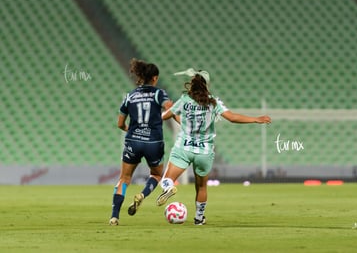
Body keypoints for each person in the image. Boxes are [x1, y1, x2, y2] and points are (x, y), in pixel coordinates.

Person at [156, 68, 271, 225]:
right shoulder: (213, 102)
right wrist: (255, 119)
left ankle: (168, 188)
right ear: (206, 86)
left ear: (192, 85)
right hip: (204, 151)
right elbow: (232, 117)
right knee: (202, 187)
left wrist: (165, 117)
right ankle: (199, 218)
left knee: (166, 180)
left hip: (184, 147)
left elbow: (166, 116)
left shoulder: (184, 100)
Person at [109, 59, 173, 226]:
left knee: (124, 178)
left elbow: (120, 124)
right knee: (157, 174)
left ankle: (114, 216)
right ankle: (143, 195)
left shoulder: (130, 96)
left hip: (133, 141)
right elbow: (170, 107)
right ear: (155, 78)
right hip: (154, 142)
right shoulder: (159, 93)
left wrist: (131, 129)